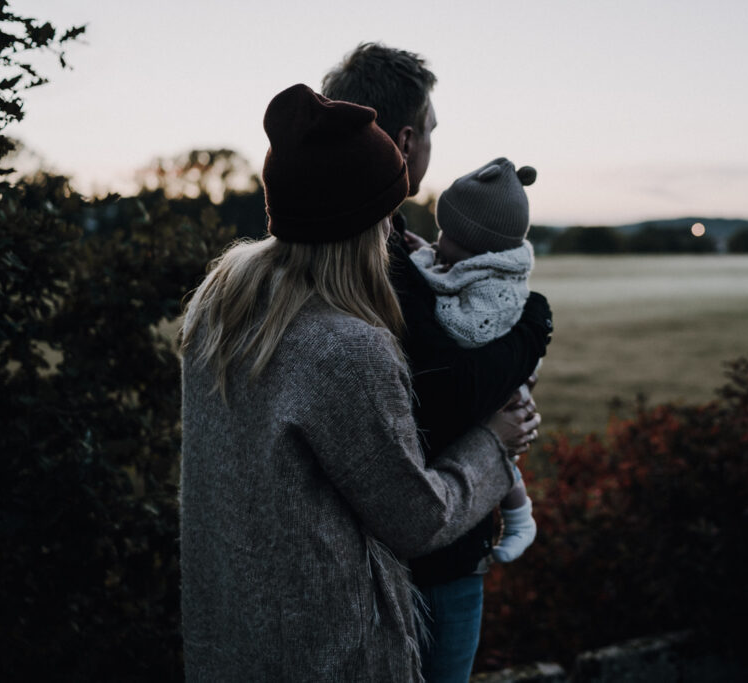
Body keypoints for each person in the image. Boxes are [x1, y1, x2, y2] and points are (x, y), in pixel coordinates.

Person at [178, 83, 539, 682]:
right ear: (364, 222)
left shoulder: (220, 307)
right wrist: (494, 445)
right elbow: (415, 518)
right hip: (329, 650)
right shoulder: (346, 348)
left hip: (232, 636)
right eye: (387, 212)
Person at [322, 44, 553, 681]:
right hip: (433, 551)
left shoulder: (379, 242)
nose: (431, 146)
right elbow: (452, 390)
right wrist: (536, 324)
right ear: (404, 140)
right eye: (429, 131)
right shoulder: (377, 256)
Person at [409, 157, 544, 564]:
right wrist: (426, 256)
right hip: (493, 364)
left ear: (473, 244)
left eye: (446, 233)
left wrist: (420, 278)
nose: (438, 240)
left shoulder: (496, 286)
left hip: (500, 370)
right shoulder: (473, 262)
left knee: (500, 439)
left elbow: (467, 330)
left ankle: (520, 518)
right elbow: (443, 266)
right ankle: (518, 515)